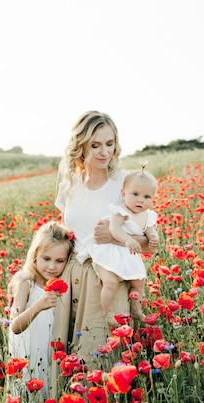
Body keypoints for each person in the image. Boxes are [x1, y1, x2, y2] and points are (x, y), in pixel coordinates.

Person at [52, 111, 157, 376]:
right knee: (68, 359)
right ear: (81, 145)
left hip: (107, 281)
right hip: (72, 277)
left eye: (109, 144)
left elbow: (150, 245)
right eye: (95, 145)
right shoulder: (70, 182)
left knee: (99, 362)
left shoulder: (123, 182)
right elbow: (68, 231)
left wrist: (112, 236)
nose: (104, 152)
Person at [78, 166, 159, 325]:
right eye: (135, 194)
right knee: (111, 282)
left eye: (147, 197)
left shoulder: (147, 215)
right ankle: (108, 313)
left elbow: (150, 229)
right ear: (124, 194)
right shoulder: (120, 211)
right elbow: (113, 229)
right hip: (109, 251)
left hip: (128, 255)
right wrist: (127, 240)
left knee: (139, 283)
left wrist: (153, 236)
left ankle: (136, 311)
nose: (140, 200)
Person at [7, 220, 74, 402]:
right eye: (46, 259)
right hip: (28, 358)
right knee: (27, 400)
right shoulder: (25, 282)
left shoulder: (60, 285)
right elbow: (15, 326)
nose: (52, 267)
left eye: (59, 261)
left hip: (49, 357)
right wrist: (38, 305)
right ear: (35, 255)